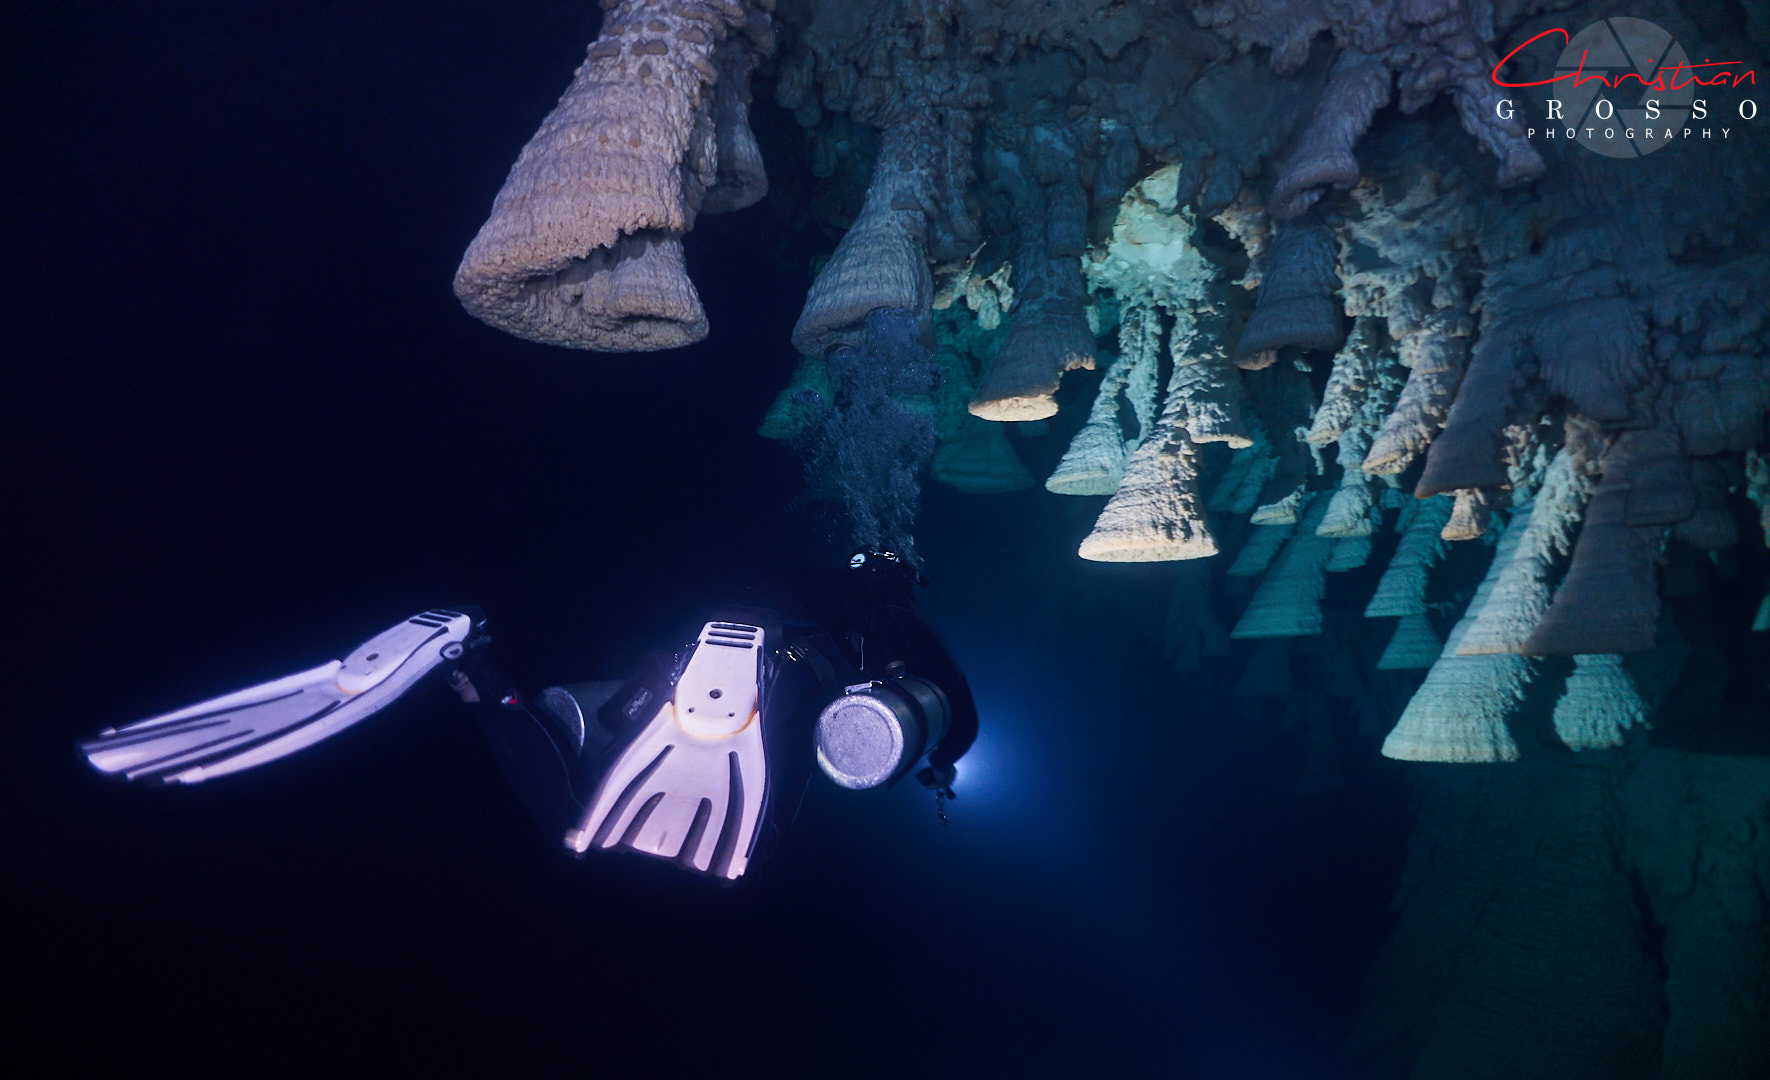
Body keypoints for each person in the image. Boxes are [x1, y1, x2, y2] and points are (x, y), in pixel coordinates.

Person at [79, 549, 977, 882]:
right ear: (898, 581)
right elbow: (958, 713)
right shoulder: (893, 615)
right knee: (746, 845)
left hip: (678, 662)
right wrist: (940, 758)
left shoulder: (801, 574)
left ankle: (482, 670)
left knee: (587, 769)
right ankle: (507, 699)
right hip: (781, 677)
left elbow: (744, 594)